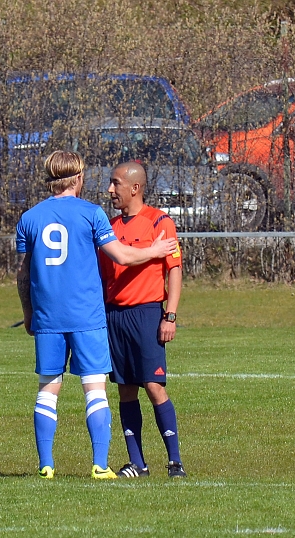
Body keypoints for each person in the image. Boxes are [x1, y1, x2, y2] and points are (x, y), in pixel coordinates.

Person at [16, 151, 177, 480]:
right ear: (77, 178)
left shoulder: (29, 217)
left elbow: (22, 274)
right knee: (95, 389)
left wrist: (28, 312)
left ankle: (46, 465)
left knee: (47, 388)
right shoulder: (92, 214)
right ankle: (100, 465)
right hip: (88, 315)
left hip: (48, 317)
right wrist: (154, 251)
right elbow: (121, 256)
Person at [98, 161, 186, 478]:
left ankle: (175, 461)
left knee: (154, 385)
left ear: (135, 188)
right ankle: (138, 463)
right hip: (115, 316)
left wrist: (170, 315)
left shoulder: (159, 222)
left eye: (116, 183)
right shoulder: (108, 227)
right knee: (125, 388)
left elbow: (174, 270)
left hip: (147, 314)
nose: (110, 190)